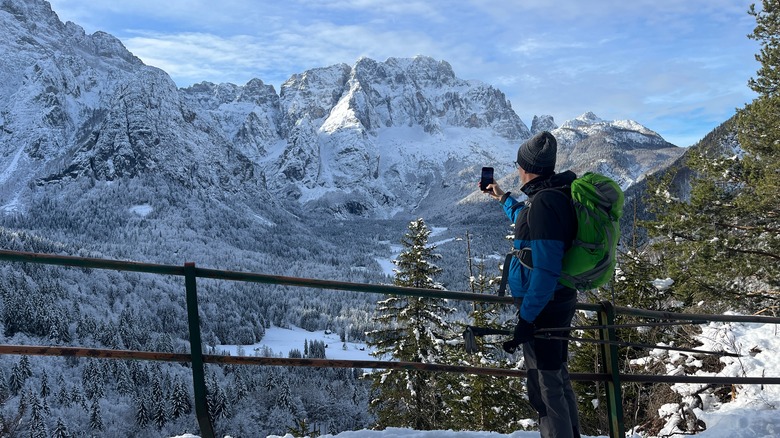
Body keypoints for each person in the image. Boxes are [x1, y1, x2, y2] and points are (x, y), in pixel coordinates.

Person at [485, 131, 581, 438]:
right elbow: (527, 222)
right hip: (554, 301)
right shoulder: (550, 195)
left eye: (517, 164)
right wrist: (503, 198)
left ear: (525, 167)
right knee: (556, 376)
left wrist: (527, 317)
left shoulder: (544, 203)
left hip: (543, 307)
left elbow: (546, 268)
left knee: (546, 386)